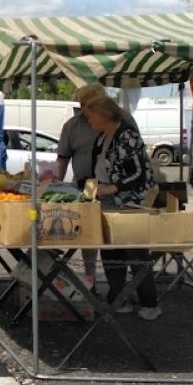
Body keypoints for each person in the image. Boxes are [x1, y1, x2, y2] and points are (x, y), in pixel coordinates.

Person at [86, 95, 162, 320]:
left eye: (90, 115)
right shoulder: (101, 139)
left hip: (133, 204)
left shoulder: (127, 136)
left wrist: (113, 188)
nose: (87, 120)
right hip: (108, 205)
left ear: (103, 115)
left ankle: (150, 303)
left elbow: (139, 173)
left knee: (136, 252)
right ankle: (118, 298)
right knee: (111, 251)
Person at [56, 84, 109, 286]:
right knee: (87, 238)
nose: (84, 109)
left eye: (88, 105)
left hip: (110, 188)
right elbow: (62, 158)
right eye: (81, 105)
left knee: (113, 240)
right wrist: (57, 187)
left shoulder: (114, 122)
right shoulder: (72, 125)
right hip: (83, 187)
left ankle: (118, 287)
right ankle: (91, 280)